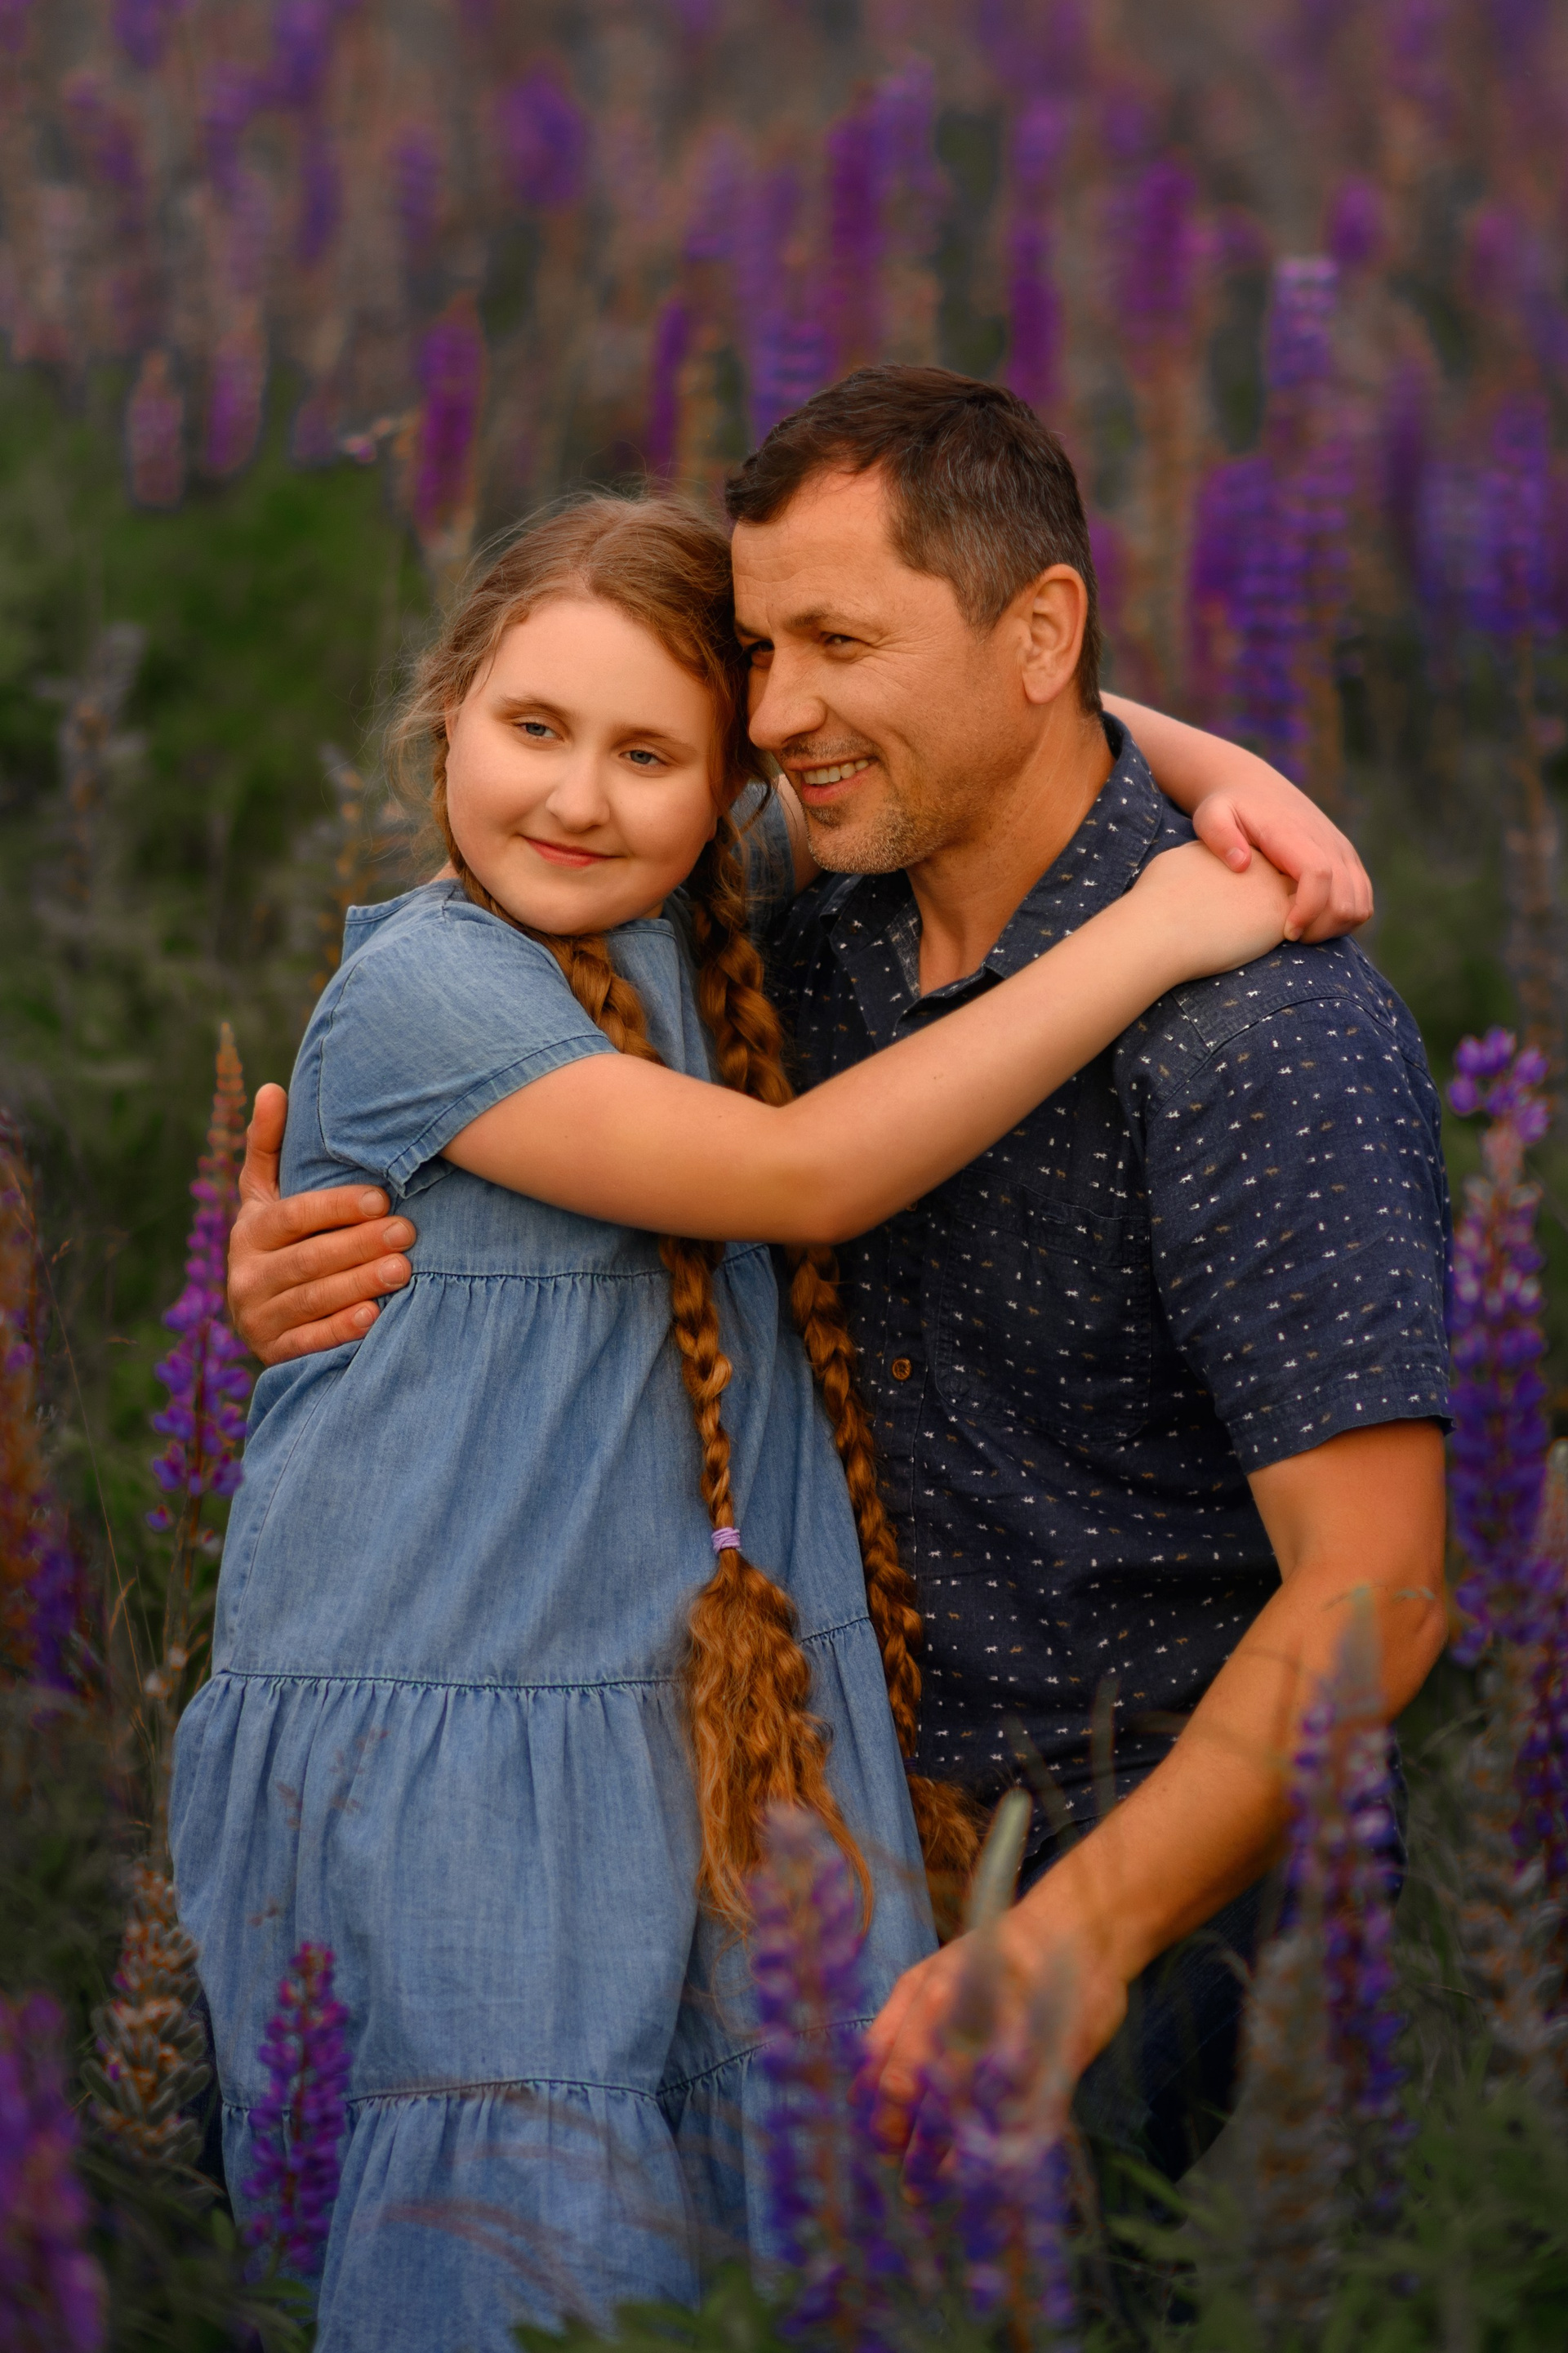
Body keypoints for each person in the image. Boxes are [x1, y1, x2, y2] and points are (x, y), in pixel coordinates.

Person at [225, 370, 1450, 2202]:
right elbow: (689, 1137)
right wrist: (332, 1278)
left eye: (841, 644)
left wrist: (1074, 1941)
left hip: (1138, 1871)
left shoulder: (1259, 1031)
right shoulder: (793, 925)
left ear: (1042, 636)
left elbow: (1385, 1587)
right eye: (759, 652)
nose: (779, 714)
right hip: (777, 1838)